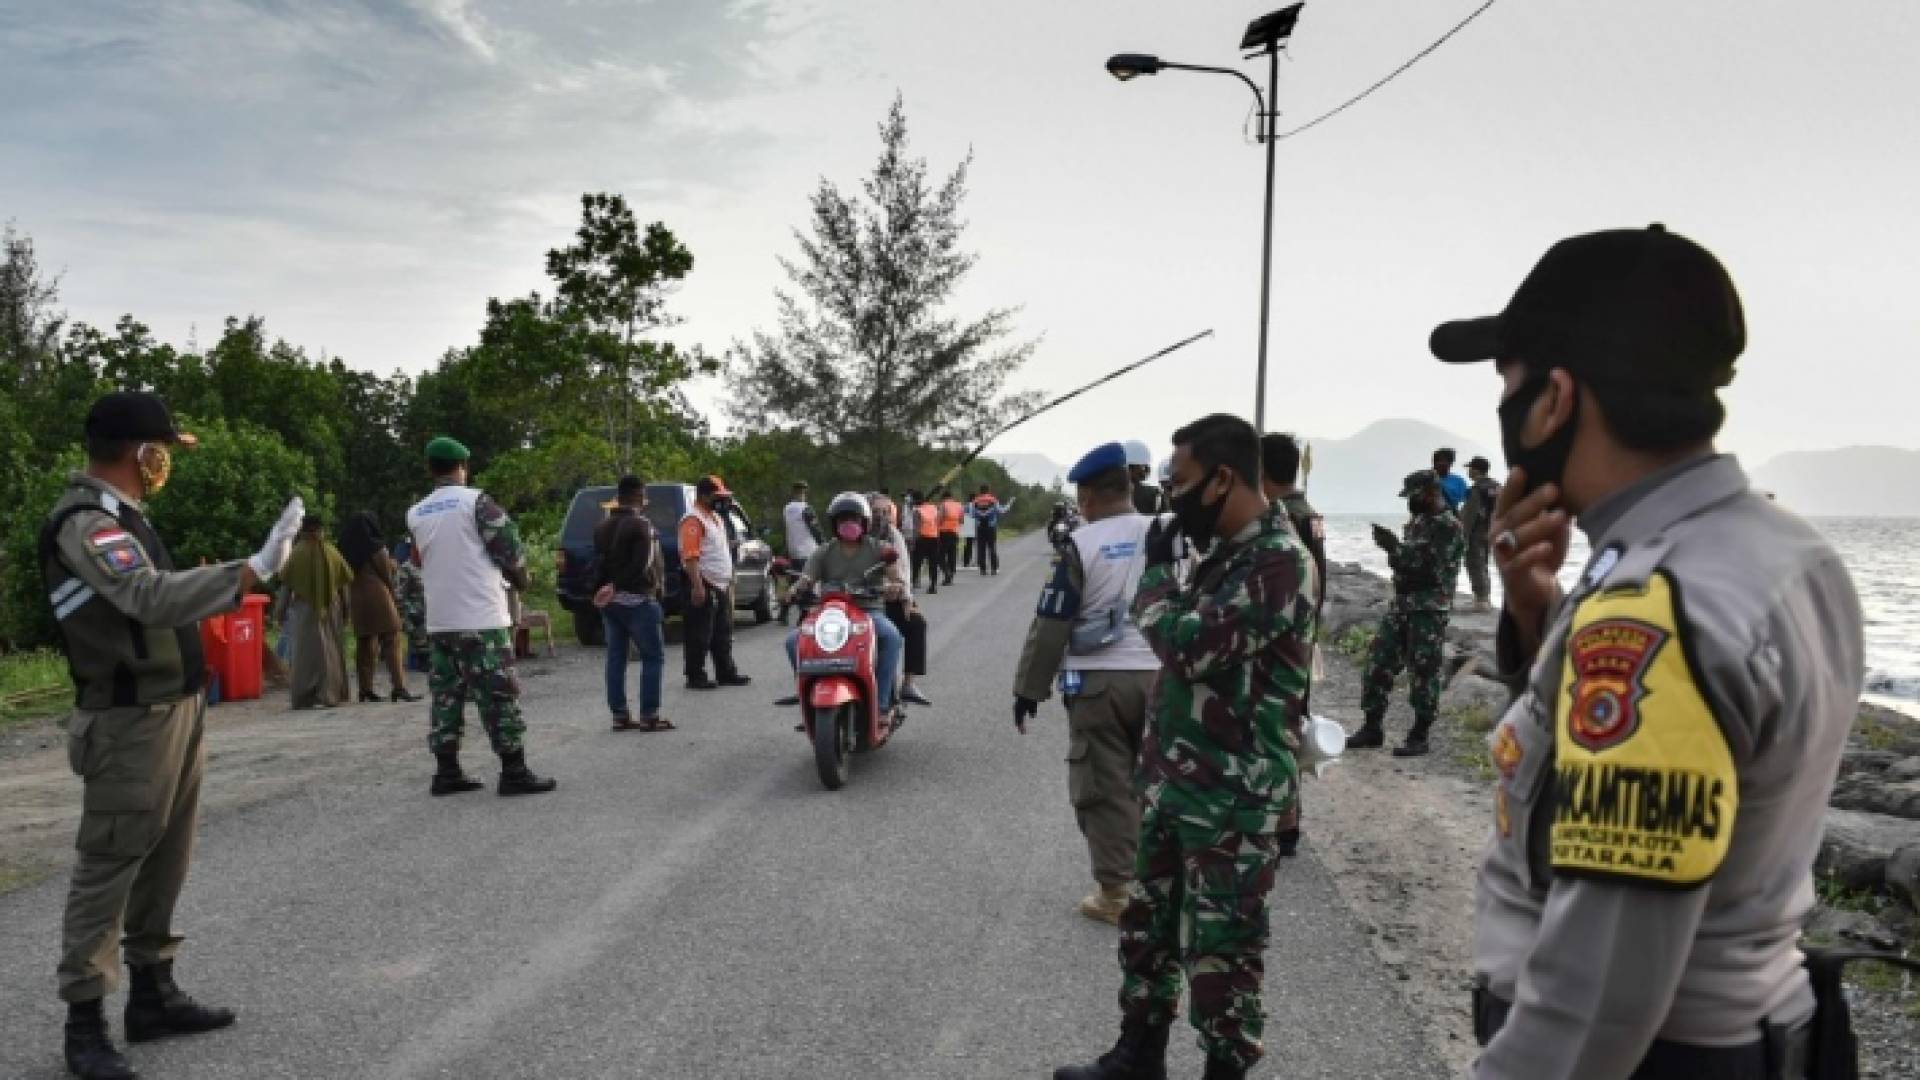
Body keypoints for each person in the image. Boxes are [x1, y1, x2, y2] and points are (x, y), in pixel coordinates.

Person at [1429, 224, 1863, 1078]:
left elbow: (1593, 1011)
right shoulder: (1782, 550)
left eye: (1508, 382)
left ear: (1554, 399)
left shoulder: (1655, 612)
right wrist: (1538, 609)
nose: (1505, 408)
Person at [40, 391, 304, 1080]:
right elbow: (148, 597)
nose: (166, 462)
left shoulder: (121, 519)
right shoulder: (87, 523)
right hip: (129, 722)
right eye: (163, 450)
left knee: (167, 859)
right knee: (110, 866)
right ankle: (85, 1022)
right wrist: (249, 571)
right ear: (139, 453)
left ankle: (152, 992)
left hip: (172, 711)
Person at [1055, 414, 1316, 1080]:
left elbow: (1187, 644)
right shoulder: (1224, 555)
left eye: (1177, 484)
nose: (1167, 499)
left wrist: (1153, 580)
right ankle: (1137, 1056)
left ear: (1224, 478)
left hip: (1233, 799)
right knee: (1147, 934)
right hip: (1174, 785)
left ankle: (1223, 1071)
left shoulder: (1278, 562)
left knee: (1223, 961)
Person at [1012, 442, 1158, 926]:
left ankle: (1116, 894)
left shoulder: (1081, 542)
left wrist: (1028, 690)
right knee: (1168, 778)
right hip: (1165, 676)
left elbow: (1052, 621)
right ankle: (1172, 884)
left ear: (1088, 496)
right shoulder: (1170, 532)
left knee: (1105, 783)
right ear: (1130, 489)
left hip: (1099, 682)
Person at [406, 436, 556, 797]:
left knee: (446, 695)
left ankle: (446, 772)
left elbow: (414, 565)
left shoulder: (416, 513)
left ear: (430, 469)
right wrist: (521, 581)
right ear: (463, 467)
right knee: (498, 694)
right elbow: (509, 549)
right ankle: (514, 771)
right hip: (480, 617)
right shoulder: (477, 502)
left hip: (441, 620)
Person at [1347, 470, 1465, 758]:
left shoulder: (1449, 527)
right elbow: (1404, 565)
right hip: (1402, 604)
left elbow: (1429, 569)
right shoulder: (1417, 523)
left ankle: (1420, 733)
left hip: (1428, 608)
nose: (1408, 503)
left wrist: (1394, 548)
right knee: (1378, 663)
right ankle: (1372, 726)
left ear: (1430, 493)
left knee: (1423, 671)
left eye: (1413, 497)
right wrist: (1395, 551)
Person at [783, 492, 908, 719]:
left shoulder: (879, 548)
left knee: (891, 637)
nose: (848, 524)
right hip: (830, 612)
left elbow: (894, 575)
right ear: (834, 524)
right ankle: (807, 694)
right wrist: (794, 590)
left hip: (868, 611)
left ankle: (881, 705)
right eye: (843, 520)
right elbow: (806, 579)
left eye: (854, 519)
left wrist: (895, 585)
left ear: (864, 522)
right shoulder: (823, 552)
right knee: (794, 641)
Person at [1260, 431, 1325, 858]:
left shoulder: (1282, 516)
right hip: (1303, 634)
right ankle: (1287, 823)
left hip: (1283, 637)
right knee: (1289, 724)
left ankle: (1281, 826)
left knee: (1274, 729)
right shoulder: (1308, 511)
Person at [594, 475, 670, 732]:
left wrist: (608, 589)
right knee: (653, 657)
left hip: (610, 604)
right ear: (639, 496)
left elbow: (600, 564)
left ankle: (619, 715)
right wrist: (622, 585)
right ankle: (649, 715)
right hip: (638, 600)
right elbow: (643, 565)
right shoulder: (642, 525)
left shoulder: (602, 526)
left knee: (616, 658)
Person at [678, 475, 750, 691]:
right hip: (703, 582)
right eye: (716, 496)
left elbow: (716, 547)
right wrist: (698, 586)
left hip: (720, 583)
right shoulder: (693, 520)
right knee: (699, 633)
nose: (720, 500)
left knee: (723, 631)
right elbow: (690, 556)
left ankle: (726, 671)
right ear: (703, 496)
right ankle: (695, 675)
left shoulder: (714, 518)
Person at [339, 512, 417, 703]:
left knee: (365, 645)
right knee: (391, 640)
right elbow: (386, 574)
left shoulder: (345, 551)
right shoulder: (376, 548)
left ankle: (365, 689)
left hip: (357, 598)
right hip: (379, 597)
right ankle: (398, 686)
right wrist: (392, 583)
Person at [282, 516, 353, 710]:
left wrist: (279, 613)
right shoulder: (332, 552)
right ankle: (332, 694)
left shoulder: (296, 554)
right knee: (331, 650)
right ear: (321, 529)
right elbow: (344, 585)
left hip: (305, 609)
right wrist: (347, 610)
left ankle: (304, 697)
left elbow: (287, 588)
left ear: (303, 530)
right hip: (332, 607)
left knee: (305, 654)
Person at [870, 494, 934, 707]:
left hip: (886, 600)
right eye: (875, 512)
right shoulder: (849, 537)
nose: (880, 517)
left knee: (916, 623)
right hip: (854, 602)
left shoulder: (893, 537)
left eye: (885, 512)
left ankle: (907, 683)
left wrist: (906, 597)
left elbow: (902, 572)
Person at [1459, 456, 1501, 612]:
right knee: (1484, 563)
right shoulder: (1496, 486)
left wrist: (1463, 535)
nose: (1468, 471)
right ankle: (1486, 597)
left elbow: (1470, 515)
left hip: (1477, 531)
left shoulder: (1477, 489)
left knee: (1474, 563)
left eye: (1470, 468)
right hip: (1492, 530)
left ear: (1476, 470)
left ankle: (1481, 599)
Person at [391, 537, 429, 672]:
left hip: (431, 612)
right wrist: (407, 615)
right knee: (418, 618)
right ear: (413, 550)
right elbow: (398, 595)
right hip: (415, 614)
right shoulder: (406, 569)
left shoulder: (430, 565)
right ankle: (421, 657)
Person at [908, 489, 942, 594]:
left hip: (921, 539)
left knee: (916, 562)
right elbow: (938, 522)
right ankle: (933, 585)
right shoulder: (934, 508)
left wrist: (913, 542)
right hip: (934, 538)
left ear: (916, 500)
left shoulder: (917, 511)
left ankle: (913, 583)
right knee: (933, 563)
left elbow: (916, 528)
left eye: (913, 499)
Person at [1124, 439, 1165, 515]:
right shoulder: (1154, 494)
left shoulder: (1112, 495)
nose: (1147, 469)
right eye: (1143, 465)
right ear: (1130, 467)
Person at [972, 484, 1005, 575]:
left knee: (981, 549)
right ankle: (994, 569)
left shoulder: (975, 501)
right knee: (992, 548)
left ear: (980, 491)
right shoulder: (993, 500)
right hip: (991, 527)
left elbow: (972, 514)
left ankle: (983, 570)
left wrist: (980, 515)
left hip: (980, 527)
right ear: (988, 490)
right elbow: (1000, 511)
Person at [937, 487, 965, 585]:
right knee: (952, 555)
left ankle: (946, 573)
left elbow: (939, 519)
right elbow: (961, 520)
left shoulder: (943, 505)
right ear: (951, 497)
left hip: (944, 533)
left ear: (943, 498)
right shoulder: (959, 505)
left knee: (940, 555)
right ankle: (951, 575)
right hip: (954, 533)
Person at [1433, 447, 1469, 512]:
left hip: (1449, 517)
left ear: (1451, 463)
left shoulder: (1458, 481)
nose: (1441, 463)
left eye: (1445, 461)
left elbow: (1468, 501)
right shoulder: (1424, 479)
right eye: (1438, 460)